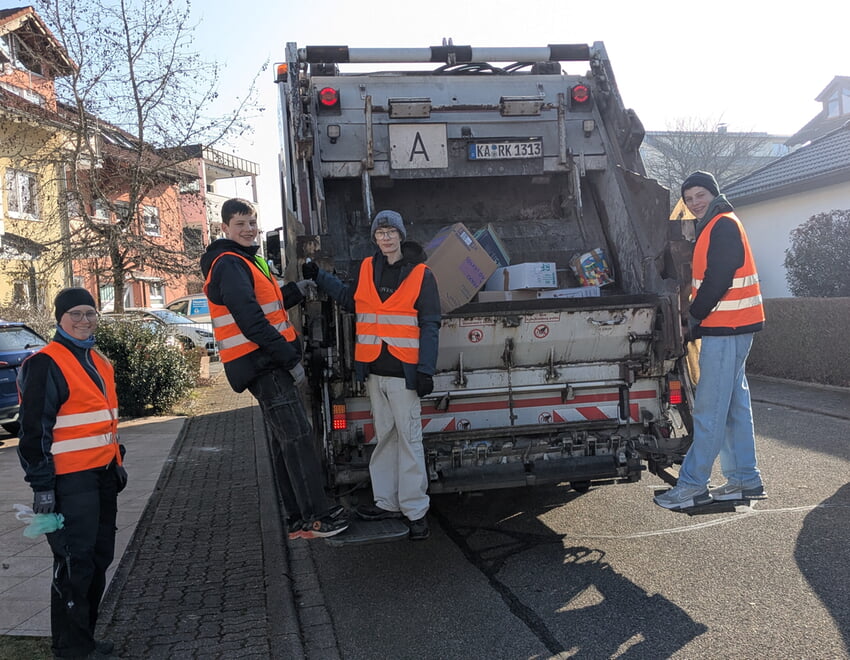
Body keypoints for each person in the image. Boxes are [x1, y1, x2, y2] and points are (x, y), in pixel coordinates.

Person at [201, 198, 348, 539]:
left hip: (262, 363)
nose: (248, 229)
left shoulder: (244, 261)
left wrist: (296, 291)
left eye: (252, 222)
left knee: (286, 442)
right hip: (263, 364)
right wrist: (290, 359)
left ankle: (299, 517)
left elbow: (267, 305)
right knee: (297, 438)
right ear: (224, 228)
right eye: (240, 224)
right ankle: (316, 518)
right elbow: (251, 321)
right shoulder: (229, 263)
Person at [302, 210, 441, 541]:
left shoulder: (422, 274)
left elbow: (430, 324)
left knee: (409, 441)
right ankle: (386, 503)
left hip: (405, 373)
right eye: (381, 233)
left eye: (391, 232)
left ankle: (416, 513)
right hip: (375, 371)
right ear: (374, 238)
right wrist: (319, 276)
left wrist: (426, 369)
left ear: (401, 235)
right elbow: (349, 300)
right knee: (385, 439)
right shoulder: (365, 267)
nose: (386, 238)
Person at [18, 287, 126, 660]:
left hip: (102, 476)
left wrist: (117, 462)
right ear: (60, 319)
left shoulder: (98, 361)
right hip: (68, 482)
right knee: (74, 564)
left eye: (89, 313)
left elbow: (102, 422)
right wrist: (43, 488)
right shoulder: (45, 363)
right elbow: (33, 434)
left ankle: (85, 640)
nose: (84, 320)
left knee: (98, 559)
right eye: (75, 314)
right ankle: (72, 649)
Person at [654, 171, 766, 510]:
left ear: (714, 194)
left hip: (726, 329)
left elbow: (718, 278)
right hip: (733, 328)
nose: (694, 203)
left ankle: (692, 485)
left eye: (700, 195)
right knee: (733, 407)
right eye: (688, 199)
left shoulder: (721, 225)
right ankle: (744, 479)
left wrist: (694, 316)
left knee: (710, 409)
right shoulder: (718, 223)